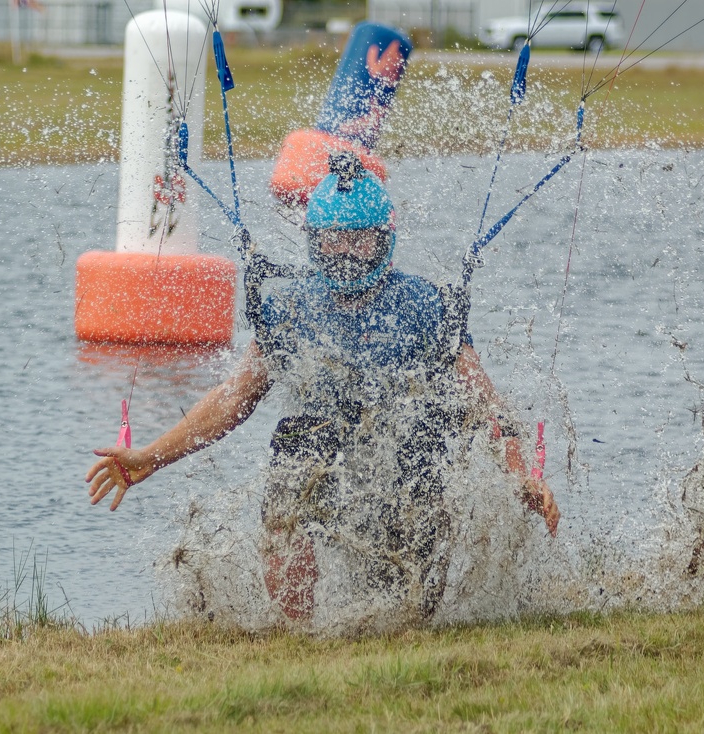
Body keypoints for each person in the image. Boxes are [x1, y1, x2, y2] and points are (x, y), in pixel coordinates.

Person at [86, 154, 559, 622]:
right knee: (293, 461)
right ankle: (301, 639)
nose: (346, 254)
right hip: (320, 450)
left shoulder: (427, 306)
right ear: (314, 242)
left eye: (359, 241)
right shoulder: (291, 309)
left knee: (406, 607)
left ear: (384, 240)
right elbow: (232, 400)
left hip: (406, 455)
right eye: (333, 241)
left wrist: (520, 478)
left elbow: (486, 405)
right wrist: (150, 456)